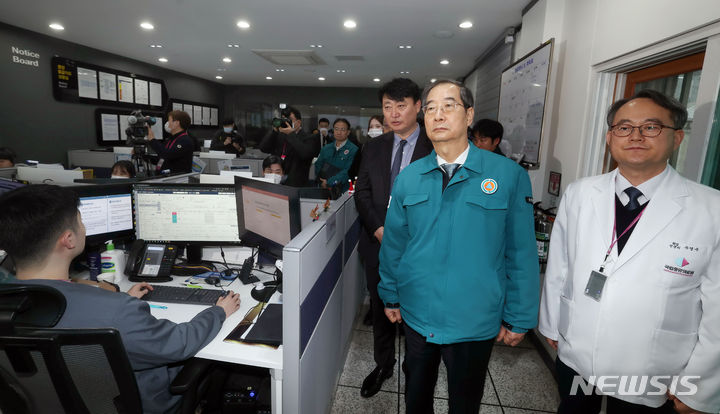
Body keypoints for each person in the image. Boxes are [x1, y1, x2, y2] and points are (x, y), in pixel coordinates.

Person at [539, 89, 720, 414]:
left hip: (656, 366)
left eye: (651, 127)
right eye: (624, 127)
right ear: (610, 137)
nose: (635, 136)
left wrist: (699, 388)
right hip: (578, 348)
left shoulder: (711, 209)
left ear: (676, 138)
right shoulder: (581, 193)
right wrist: (552, 325)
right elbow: (560, 265)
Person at [0, 185, 241, 414]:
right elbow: (179, 343)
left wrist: (117, 299)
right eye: (80, 221)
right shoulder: (117, 312)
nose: (84, 227)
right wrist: (218, 311)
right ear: (69, 240)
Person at [379, 80, 539, 413]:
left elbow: (521, 251)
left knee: (465, 403)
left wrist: (519, 315)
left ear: (468, 115)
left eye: (448, 105)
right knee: (416, 397)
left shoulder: (507, 176)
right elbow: (395, 244)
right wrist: (390, 293)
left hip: (474, 316)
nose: (438, 115)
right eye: (431, 108)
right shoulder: (410, 177)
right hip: (417, 311)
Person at [354, 77, 434, 398]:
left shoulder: (436, 146)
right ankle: (383, 363)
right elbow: (362, 192)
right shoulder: (373, 147)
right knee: (380, 307)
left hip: (420, 248)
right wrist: (379, 229)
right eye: (388, 107)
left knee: (417, 309)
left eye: (402, 106)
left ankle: (416, 366)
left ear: (418, 107)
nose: (394, 113)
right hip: (378, 243)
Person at [258, 106, 319, 187]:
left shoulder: (309, 138)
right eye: (284, 119)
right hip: (276, 181)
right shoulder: (279, 136)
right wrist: (274, 131)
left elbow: (305, 154)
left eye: (289, 120)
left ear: (298, 122)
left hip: (296, 184)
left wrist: (291, 134)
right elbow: (263, 148)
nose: (286, 122)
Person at [314, 118, 359, 193]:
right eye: (336, 129)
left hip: (343, 190)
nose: (339, 132)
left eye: (342, 129)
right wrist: (321, 181)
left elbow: (348, 171)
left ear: (348, 132)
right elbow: (318, 165)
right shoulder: (326, 148)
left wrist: (329, 182)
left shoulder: (354, 150)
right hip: (324, 189)